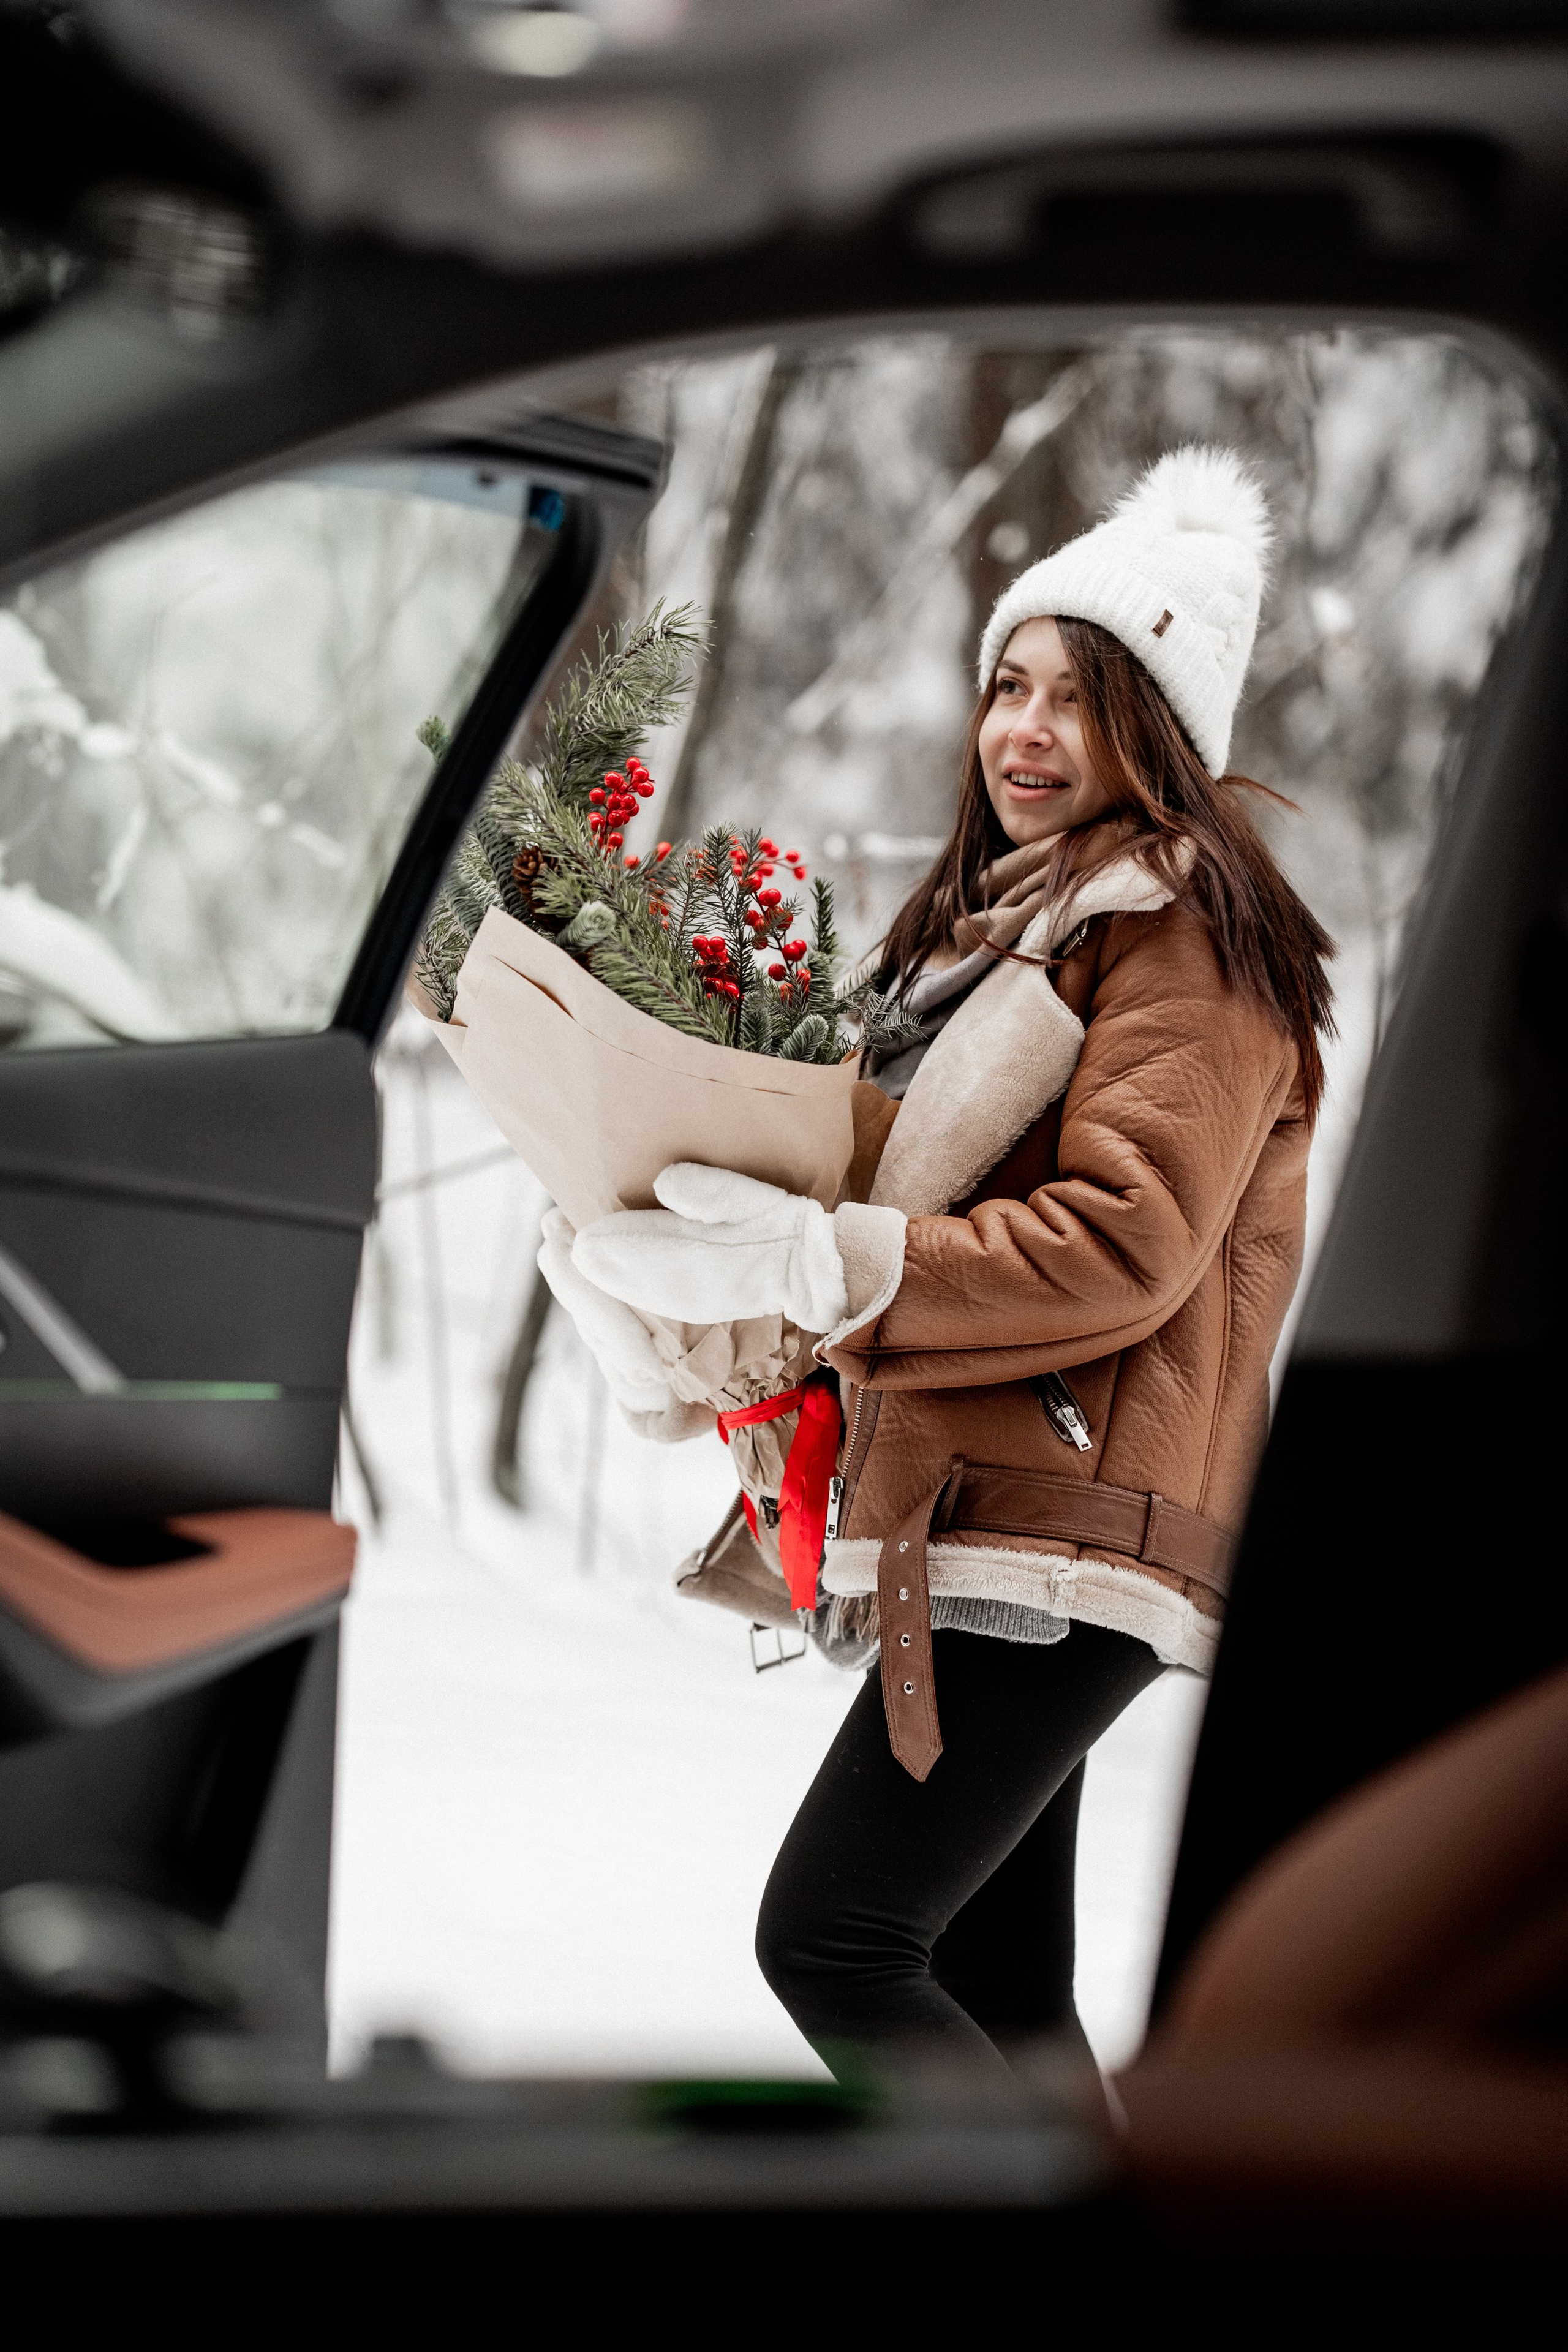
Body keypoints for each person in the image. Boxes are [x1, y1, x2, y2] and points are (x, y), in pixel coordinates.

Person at [570, 445, 1335, 2082]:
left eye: (1080, 699)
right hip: (1008, 1514)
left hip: (1076, 1531)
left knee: (837, 1938)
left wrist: (837, 1261)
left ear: (1161, 737)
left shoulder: (1181, 927)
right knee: (999, 1988)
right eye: (1007, 686)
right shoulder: (1006, 933)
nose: (1026, 731)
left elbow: (1126, 1244)